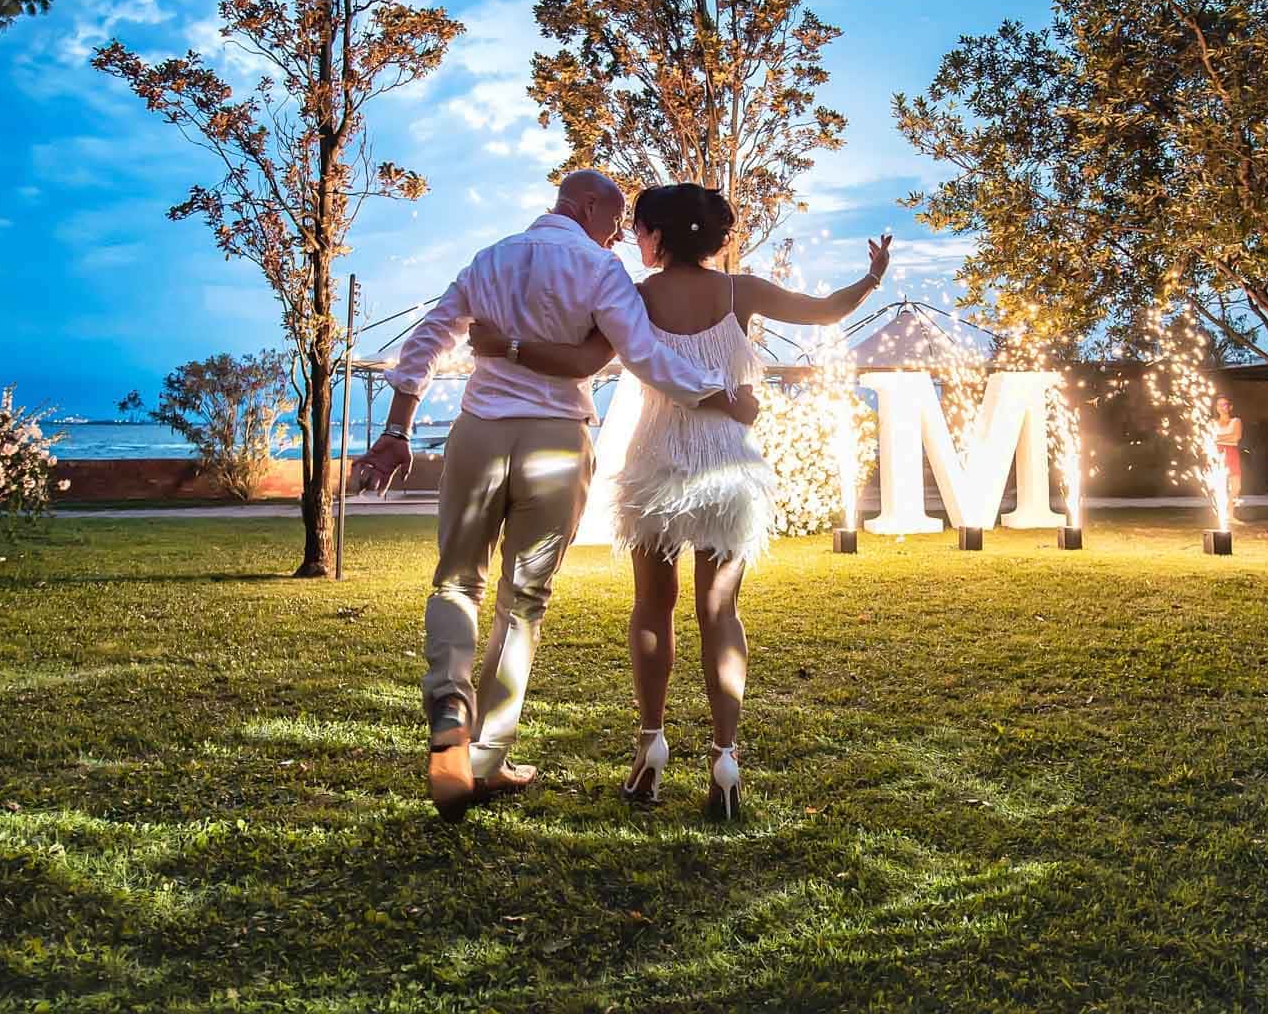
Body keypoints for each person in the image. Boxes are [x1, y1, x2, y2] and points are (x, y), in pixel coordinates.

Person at [470, 183, 891, 821]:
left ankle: (650, 750)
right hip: (727, 463)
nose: (634, 239)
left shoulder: (634, 298)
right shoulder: (739, 292)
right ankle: (725, 758)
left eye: (640, 229)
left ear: (662, 234)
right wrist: (871, 278)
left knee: (652, 607)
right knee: (720, 611)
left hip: (657, 464)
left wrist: (508, 347)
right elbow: (826, 311)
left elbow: (583, 358)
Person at [348, 171, 759, 823]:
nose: (622, 233)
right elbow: (647, 357)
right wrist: (721, 396)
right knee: (524, 599)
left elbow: (426, 339)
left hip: (477, 431)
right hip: (556, 441)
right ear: (587, 205)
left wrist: (398, 430)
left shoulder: (489, 260)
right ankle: (485, 755)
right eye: (616, 217)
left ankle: (450, 709)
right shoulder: (600, 271)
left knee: (456, 585)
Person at [1211, 394, 1243, 514]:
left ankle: (1230, 510)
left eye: (1224, 404)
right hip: (1217, 454)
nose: (1221, 407)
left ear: (1230, 407)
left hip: (1231, 453)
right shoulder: (1213, 423)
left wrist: (1218, 437)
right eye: (1219, 405)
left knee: (1236, 486)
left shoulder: (1235, 421)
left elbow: (1236, 437)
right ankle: (1223, 513)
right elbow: (1210, 438)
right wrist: (1226, 438)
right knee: (1220, 485)